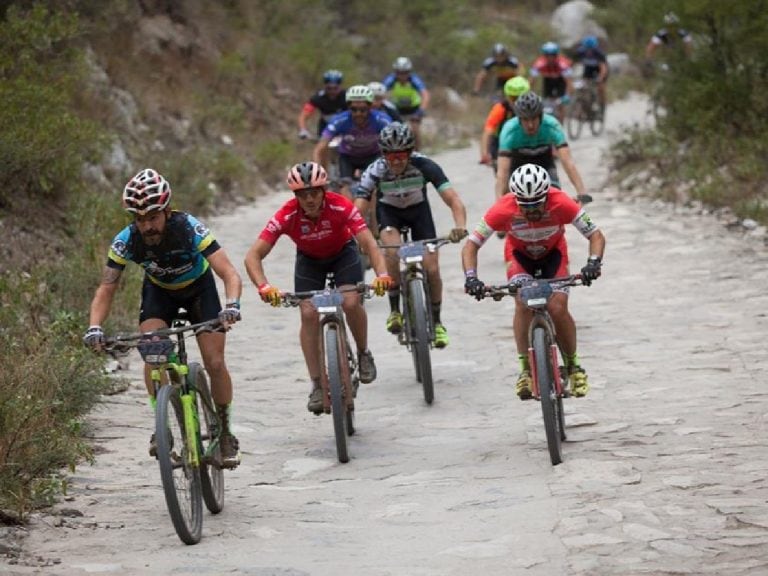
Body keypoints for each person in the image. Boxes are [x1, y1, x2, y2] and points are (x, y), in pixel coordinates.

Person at [83, 168, 243, 468]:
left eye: (153, 217)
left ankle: (223, 431)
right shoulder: (127, 240)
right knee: (152, 351)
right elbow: (107, 286)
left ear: (167, 211)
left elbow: (229, 272)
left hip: (199, 290)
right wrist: (94, 327)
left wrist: (232, 305)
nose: (147, 226)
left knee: (215, 362)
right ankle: (162, 427)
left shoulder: (188, 227)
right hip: (160, 294)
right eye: (140, 219)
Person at [243, 162, 392, 414]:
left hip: (344, 254)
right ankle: (317, 384)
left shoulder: (340, 205)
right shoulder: (287, 214)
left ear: (324, 190)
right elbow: (253, 256)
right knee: (308, 313)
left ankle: (364, 352)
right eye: (302, 195)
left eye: (314, 193)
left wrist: (382, 274)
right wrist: (264, 286)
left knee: (351, 301)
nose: (309, 199)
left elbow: (368, 243)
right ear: (295, 196)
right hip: (309, 261)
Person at [462, 163, 605, 399]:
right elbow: (471, 245)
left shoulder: (561, 202)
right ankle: (526, 371)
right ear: (516, 198)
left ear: (546, 195)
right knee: (522, 303)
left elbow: (596, 235)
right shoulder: (503, 208)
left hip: (554, 256)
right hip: (520, 258)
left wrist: (593, 263)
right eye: (525, 205)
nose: (531, 211)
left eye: (537, 204)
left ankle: (573, 366)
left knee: (557, 307)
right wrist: (471, 278)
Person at [354, 122, 468, 347]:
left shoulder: (425, 165)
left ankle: (437, 322)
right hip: (389, 215)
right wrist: (358, 238)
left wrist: (460, 225)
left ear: (410, 152)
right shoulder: (375, 170)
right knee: (393, 253)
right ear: (383, 154)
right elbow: (357, 211)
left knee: (432, 268)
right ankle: (395, 309)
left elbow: (453, 199)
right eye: (391, 156)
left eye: (402, 155)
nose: (396, 161)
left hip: (419, 215)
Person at [495, 91, 588, 204]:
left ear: (541, 116)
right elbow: (502, 172)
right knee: (509, 201)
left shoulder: (552, 126)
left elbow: (568, 162)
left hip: (545, 164)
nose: (530, 125)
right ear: (519, 119)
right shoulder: (509, 130)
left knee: (556, 201)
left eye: (534, 119)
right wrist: (499, 201)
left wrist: (581, 192)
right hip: (517, 166)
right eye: (525, 119)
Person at [313, 84, 392, 199]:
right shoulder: (340, 120)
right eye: (354, 109)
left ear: (371, 107)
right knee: (344, 187)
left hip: (372, 156)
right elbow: (320, 147)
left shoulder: (381, 119)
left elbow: (393, 142)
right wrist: (318, 172)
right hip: (348, 157)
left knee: (374, 189)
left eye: (363, 110)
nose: (358, 113)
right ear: (348, 107)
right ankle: (350, 214)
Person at [479, 76, 530, 172]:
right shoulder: (500, 108)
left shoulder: (533, 108)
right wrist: (485, 153)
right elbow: (488, 130)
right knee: (502, 177)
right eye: (513, 97)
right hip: (501, 145)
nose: (516, 101)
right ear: (507, 96)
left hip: (525, 144)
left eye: (520, 97)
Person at [382, 56, 430, 149]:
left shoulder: (414, 80)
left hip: (414, 109)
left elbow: (425, 94)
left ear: (409, 72)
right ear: (395, 72)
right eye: (399, 72)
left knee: (414, 130)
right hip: (397, 109)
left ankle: (417, 152)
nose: (402, 76)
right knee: (393, 131)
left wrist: (421, 110)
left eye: (405, 72)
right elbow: (381, 92)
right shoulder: (391, 80)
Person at [528, 41, 574, 124]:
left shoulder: (562, 64)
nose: (550, 58)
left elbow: (569, 83)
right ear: (544, 56)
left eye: (552, 55)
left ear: (556, 55)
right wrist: (527, 92)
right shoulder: (539, 63)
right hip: (548, 82)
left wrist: (567, 95)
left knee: (560, 104)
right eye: (547, 56)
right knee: (546, 102)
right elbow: (531, 80)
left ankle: (561, 125)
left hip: (561, 82)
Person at [297, 69, 347, 140]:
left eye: (335, 88)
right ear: (325, 86)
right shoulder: (318, 98)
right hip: (326, 126)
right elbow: (303, 115)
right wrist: (303, 129)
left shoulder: (348, 96)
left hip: (345, 125)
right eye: (329, 88)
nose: (332, 92)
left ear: (340, 86)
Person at [574, 35, 609, 115]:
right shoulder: (581, 52)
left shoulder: (599, 53)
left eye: (591, 49)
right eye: (587, 48)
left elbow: (603, 68)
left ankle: (602, 105)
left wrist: (600, 78)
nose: (589, 51)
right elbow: (575, 63)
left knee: (600, 87)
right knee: (583, 86)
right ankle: (583, 105)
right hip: (588, 69)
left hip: (599, 70)